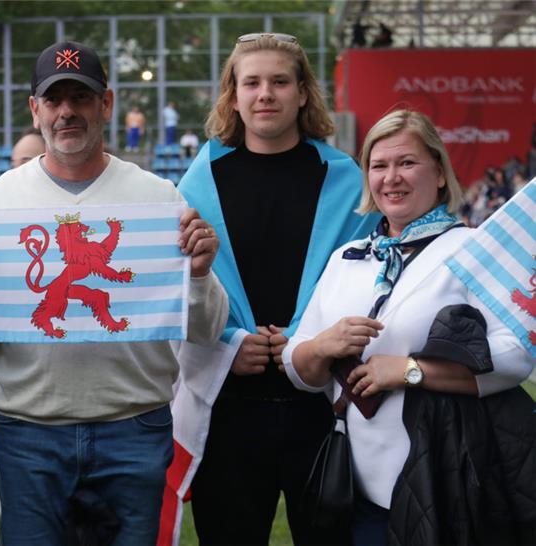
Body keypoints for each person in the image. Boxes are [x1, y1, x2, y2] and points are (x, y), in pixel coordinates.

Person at [0, 40, 228, 545]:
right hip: (29, 433)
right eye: (55, 100)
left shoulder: (160, 199)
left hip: (133, 429)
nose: (67, 111)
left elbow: (206, 330)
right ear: (36, 111)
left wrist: (201, 274)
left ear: (107, 104)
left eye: (81, 97)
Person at [162, 32, 378, 546]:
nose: (266, 94)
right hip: (229, 407)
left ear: (303, 92)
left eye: (280, 81)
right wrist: (227, 346)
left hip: (323, 407)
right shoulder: (193, 188)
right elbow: (172, 297)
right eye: (251, 82)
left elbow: (368, 282)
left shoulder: (347, 180)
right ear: (232, 95)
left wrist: (307, 342)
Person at [284, 109, 535, 545]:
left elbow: (517, 355)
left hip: (447, 480)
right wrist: (323, 346)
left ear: (439, 172)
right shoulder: (349, 257)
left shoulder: (473, 248)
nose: (391, 177)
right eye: (379, 166)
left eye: (407, 163)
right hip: (355, 485)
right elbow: (297, 367)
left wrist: (409, 370)